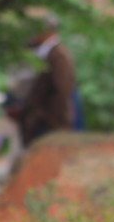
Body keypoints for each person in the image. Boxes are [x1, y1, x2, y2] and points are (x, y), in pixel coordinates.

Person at [9, 15, 82, 146]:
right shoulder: (44, 53)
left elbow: (62, 91)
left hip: (50, 123)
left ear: (50, 32)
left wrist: (48, 118)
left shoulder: (59, 55)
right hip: (41, 121)